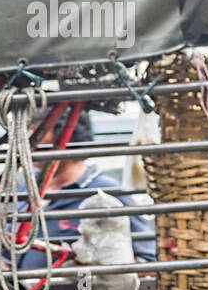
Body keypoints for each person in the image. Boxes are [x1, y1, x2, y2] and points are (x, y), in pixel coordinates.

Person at [18, 111, 156, 273]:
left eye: (38, 130)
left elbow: (146, 260)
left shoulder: (105, 194)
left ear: (67, 137)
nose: (28, 138)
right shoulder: (23, 189)